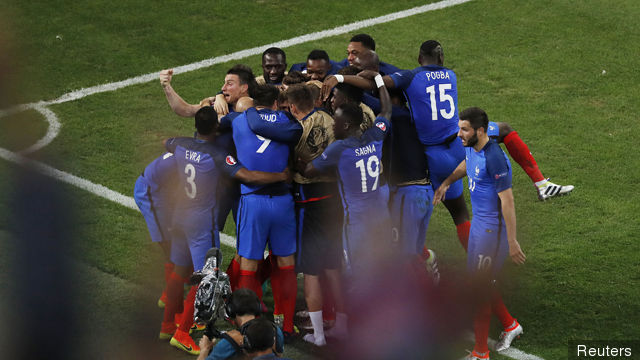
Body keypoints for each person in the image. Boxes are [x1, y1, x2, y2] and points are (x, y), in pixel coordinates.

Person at [160, 106, 290, 355]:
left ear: (196, 126)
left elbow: (166, 142)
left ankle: (167, 325)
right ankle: (183, 331)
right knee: (207, 280)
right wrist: (279, 176)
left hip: (179, 217)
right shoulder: (217, 154)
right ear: (217, 128)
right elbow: (248, 176)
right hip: (201, 223)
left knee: (178, 271)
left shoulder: (179, 144)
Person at [433, 107, 526, 360]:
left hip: (492, 234)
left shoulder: (495, 159)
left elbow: (507, 201)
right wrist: (446, 183)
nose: (459, 133)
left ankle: (481, 353)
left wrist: (512, 241)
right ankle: (509, 325)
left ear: (480, 131)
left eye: (464, 129)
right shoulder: (472, 147)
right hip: (479, 229)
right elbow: (467, 165)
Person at [303, 70, 393, 318]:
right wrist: (377, 78)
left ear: (348, 125)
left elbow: (309, 170)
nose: (333, 124)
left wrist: (296, 152)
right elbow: (386, 111)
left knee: (356, 271)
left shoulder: (339, 148)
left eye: (337, 122)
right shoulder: (376, 135)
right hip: (380, 215)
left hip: (357, 221)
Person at [229, 85, 302, 340]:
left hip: (253, 201)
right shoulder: (286, 121)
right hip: (282, 202)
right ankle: (286, 323)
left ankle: (248, 325)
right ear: (275, 103)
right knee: (285, 264)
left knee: (248, 265)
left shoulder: (239, 121)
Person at [133, 152, 178, 308]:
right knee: (170, 248)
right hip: (151, 194)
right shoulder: (191, 160)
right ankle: (170, 297)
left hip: (162, 190)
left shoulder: (187, 148)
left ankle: (175, 288)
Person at [197, 289, 285, 360]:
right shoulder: (276, 331)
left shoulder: (229, 341)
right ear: (258, 307)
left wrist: (204, 350)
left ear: (230, 310)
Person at [334, 33, 399, 75]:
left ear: (370, 54)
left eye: (355, 53)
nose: (349, 58)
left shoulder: (389, 73)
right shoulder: (345, 64)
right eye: (348, 53)